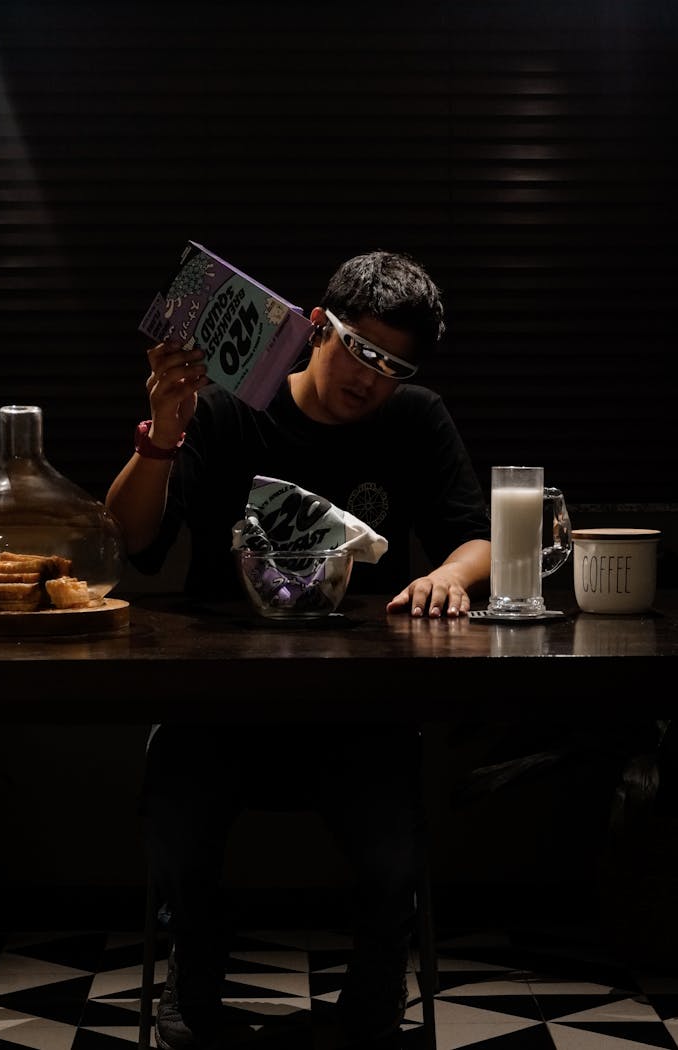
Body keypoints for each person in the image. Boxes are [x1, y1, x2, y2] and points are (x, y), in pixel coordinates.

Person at [106, 250, 491, 1048]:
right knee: (176, 821)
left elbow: (474, 539)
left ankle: (377, 995)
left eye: (394, 365)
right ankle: (195, 975)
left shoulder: (416, 417)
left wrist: (449, 577)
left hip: (357, 705)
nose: (371, 378)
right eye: (360, 349)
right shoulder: (226, 412)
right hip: (220, 699)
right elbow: (131, 542)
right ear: (317, 325)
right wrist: (161, 436)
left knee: (392, 852)